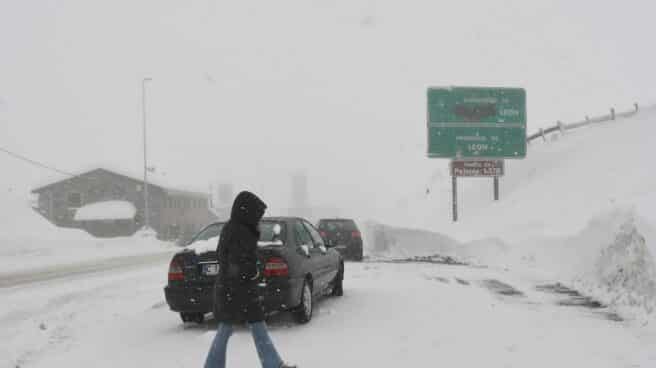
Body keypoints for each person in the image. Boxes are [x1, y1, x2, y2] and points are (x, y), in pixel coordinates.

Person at [204, 191, 296, 368]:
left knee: (247, 327)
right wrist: (252, 273)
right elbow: (237, 263)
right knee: (232, 329)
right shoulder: (240, 231)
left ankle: (272, 364)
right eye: (257, 214)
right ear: (247, 212)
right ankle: (272, 364)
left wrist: (247, 273)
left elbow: (229, 259)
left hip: (234, 289)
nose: (259, 219)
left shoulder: (235, 228)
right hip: (237, 290)